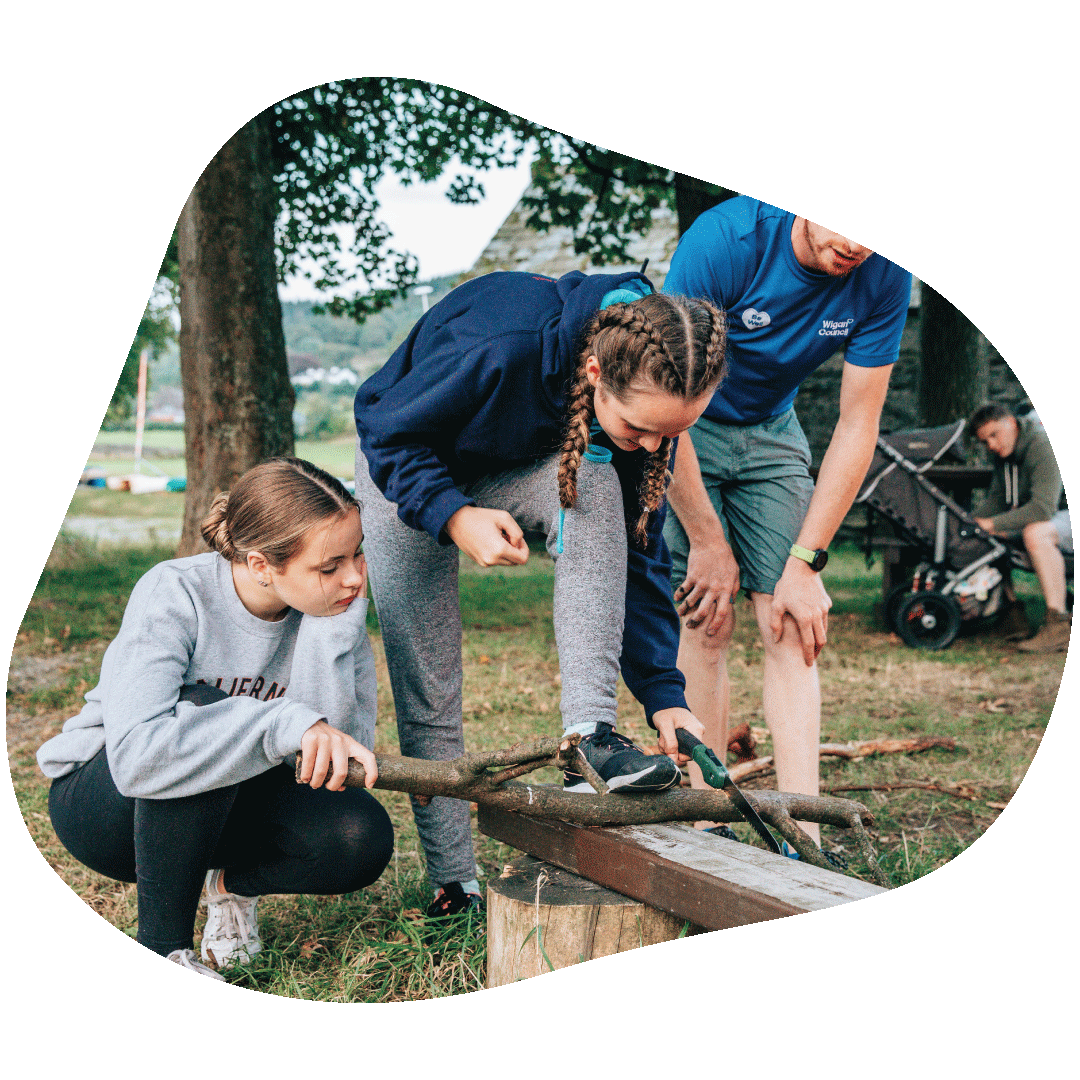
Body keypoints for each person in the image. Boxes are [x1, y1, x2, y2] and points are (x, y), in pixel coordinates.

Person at [354, 269, 726, 919]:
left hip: (516, 468)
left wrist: (666, 696)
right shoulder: (503, 342)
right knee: (431, 677)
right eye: (640, 429)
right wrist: (452, 513)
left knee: (599, 488)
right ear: (592, 370)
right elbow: (385, 425)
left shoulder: (644, 404)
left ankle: (589, 734)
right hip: (405, 468)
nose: (652, 445)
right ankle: (454, 880)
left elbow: (637, 555)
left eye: (671, 433)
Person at [37, 457, 394, 979]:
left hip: (229, 802)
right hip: (107, 803)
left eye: (356, 555)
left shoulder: (333, 610)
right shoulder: (176, 592)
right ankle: (165, 948)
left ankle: (227, 890)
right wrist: (279, 723)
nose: (354, 577)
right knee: (202, 712)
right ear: (260, 566)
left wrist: (329, 633)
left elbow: (341, 760)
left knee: (359, 837)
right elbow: (140, 757)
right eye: (329, 566)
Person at [661, 197, 912, 858]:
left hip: (773, 430)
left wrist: (806, 562)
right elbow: (661, 401)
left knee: (795, 622)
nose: (855, 247)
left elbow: (858, 425)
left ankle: (806, 830)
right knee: (705, 615)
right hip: (688, 422)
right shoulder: (726, 242)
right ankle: (705, 819)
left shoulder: (886, 275)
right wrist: (709, 543)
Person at [969, 404, 1071, 653]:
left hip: (1061, 515)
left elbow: (1042, 509)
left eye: (994, 435)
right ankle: (1012, 614)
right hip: (1052, 517)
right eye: (985, 441)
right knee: (990, 534)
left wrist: (992, 523)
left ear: (1012, 424)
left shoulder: (1041, 444)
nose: (991, 445)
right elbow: (996, 500)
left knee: (1035, 533)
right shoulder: (1004, 455)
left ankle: (1058, 625)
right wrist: (968, 523)